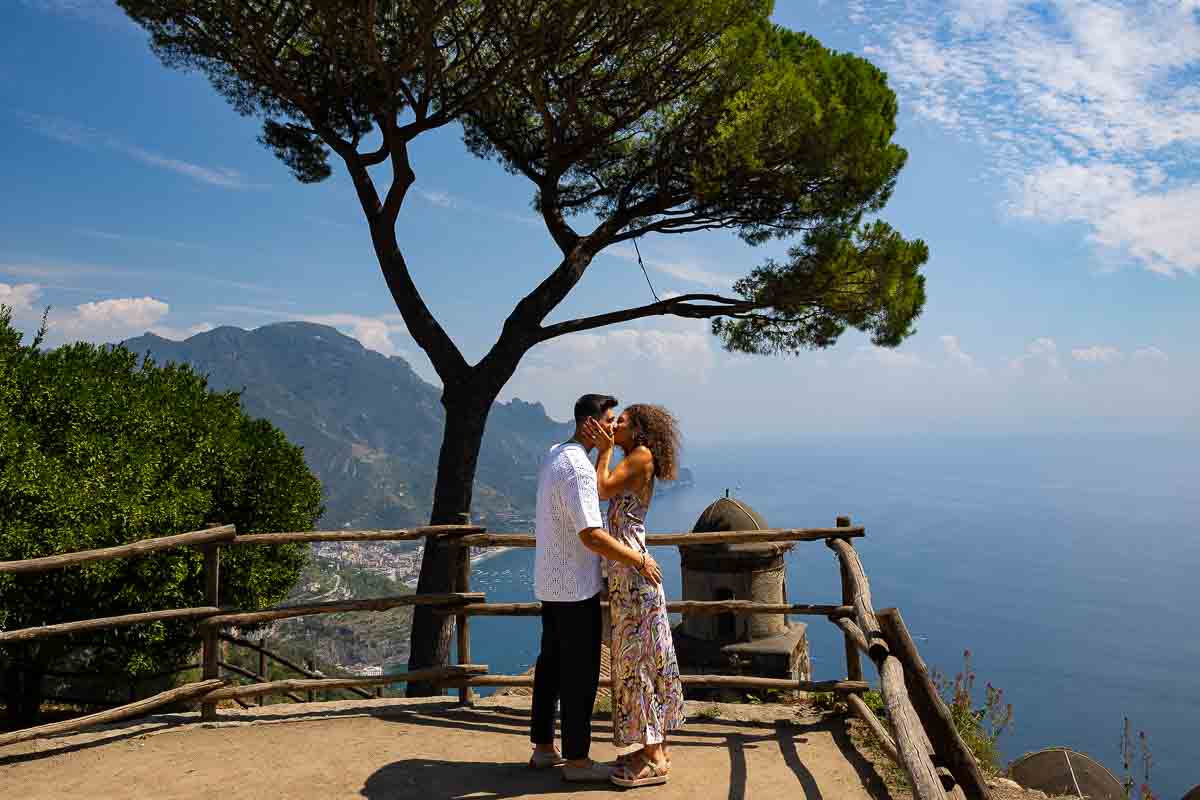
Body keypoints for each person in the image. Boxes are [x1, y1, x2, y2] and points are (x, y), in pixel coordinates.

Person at [529, 393, 664, 783]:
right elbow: (592, 535)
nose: (613, 427)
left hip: (549, 581)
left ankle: (542, 748)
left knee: (550, 666)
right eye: (608, 420)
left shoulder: (555, 453)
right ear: (591, 424)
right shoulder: (580, 469)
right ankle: (577, 761)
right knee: (580, 675)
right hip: (575, 586)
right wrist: (638, 559)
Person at [585, 403, 686, 788]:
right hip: (629, 570)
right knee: (641, 659)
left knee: (638, 660)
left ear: (640, 430)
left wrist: (605, 450)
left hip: (633, 570)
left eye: (622, 422)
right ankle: (654, 749)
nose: (615, 426)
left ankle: (652, 756)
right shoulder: (640, 457)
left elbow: (600, 488)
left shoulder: (640, 457)